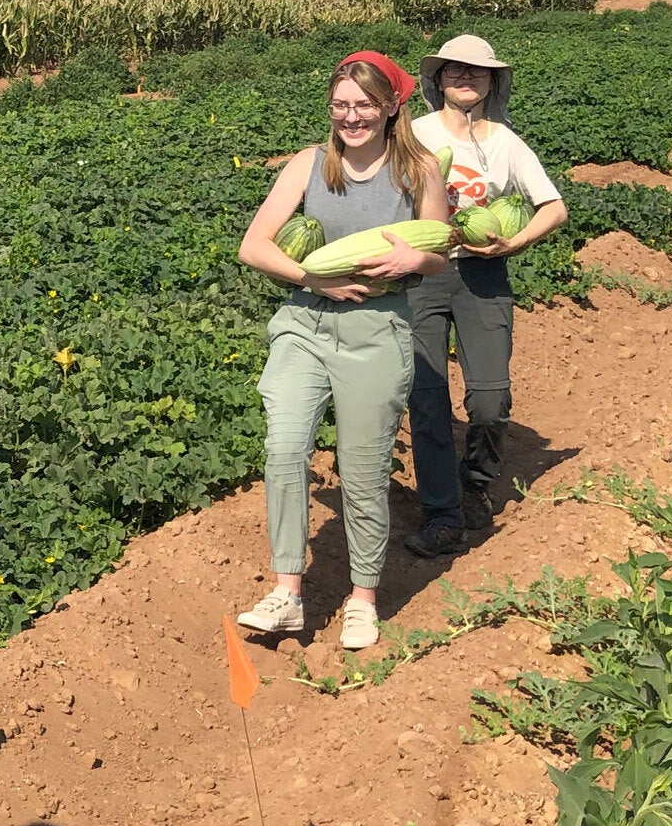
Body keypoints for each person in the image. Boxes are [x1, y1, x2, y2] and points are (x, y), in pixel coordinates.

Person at [235, 52, 450, 650]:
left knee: (361, 468)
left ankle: (362, 597)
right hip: (305, 320)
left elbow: (439, 249)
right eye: (341, 105)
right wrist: (310, 278)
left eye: (364, 105)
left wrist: (416, 260)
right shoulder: (308, 165)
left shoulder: (421, 171)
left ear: (390, 108)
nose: (351, 116)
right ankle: (287, 592)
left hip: (378, 328)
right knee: (283, 448)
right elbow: (254, 245)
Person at [403, 35, 568, 558]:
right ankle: (442, 512)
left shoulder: (505, 142)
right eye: (456, 71)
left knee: (490, 400)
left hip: (484, 276)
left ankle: (475, 480)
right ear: (439, 80)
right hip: (422, 277)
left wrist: (512, 243)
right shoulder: (413, 134)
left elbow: (553, 207)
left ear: (492, 82)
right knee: (426, 402)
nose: (466, 79)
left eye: (478, 72)